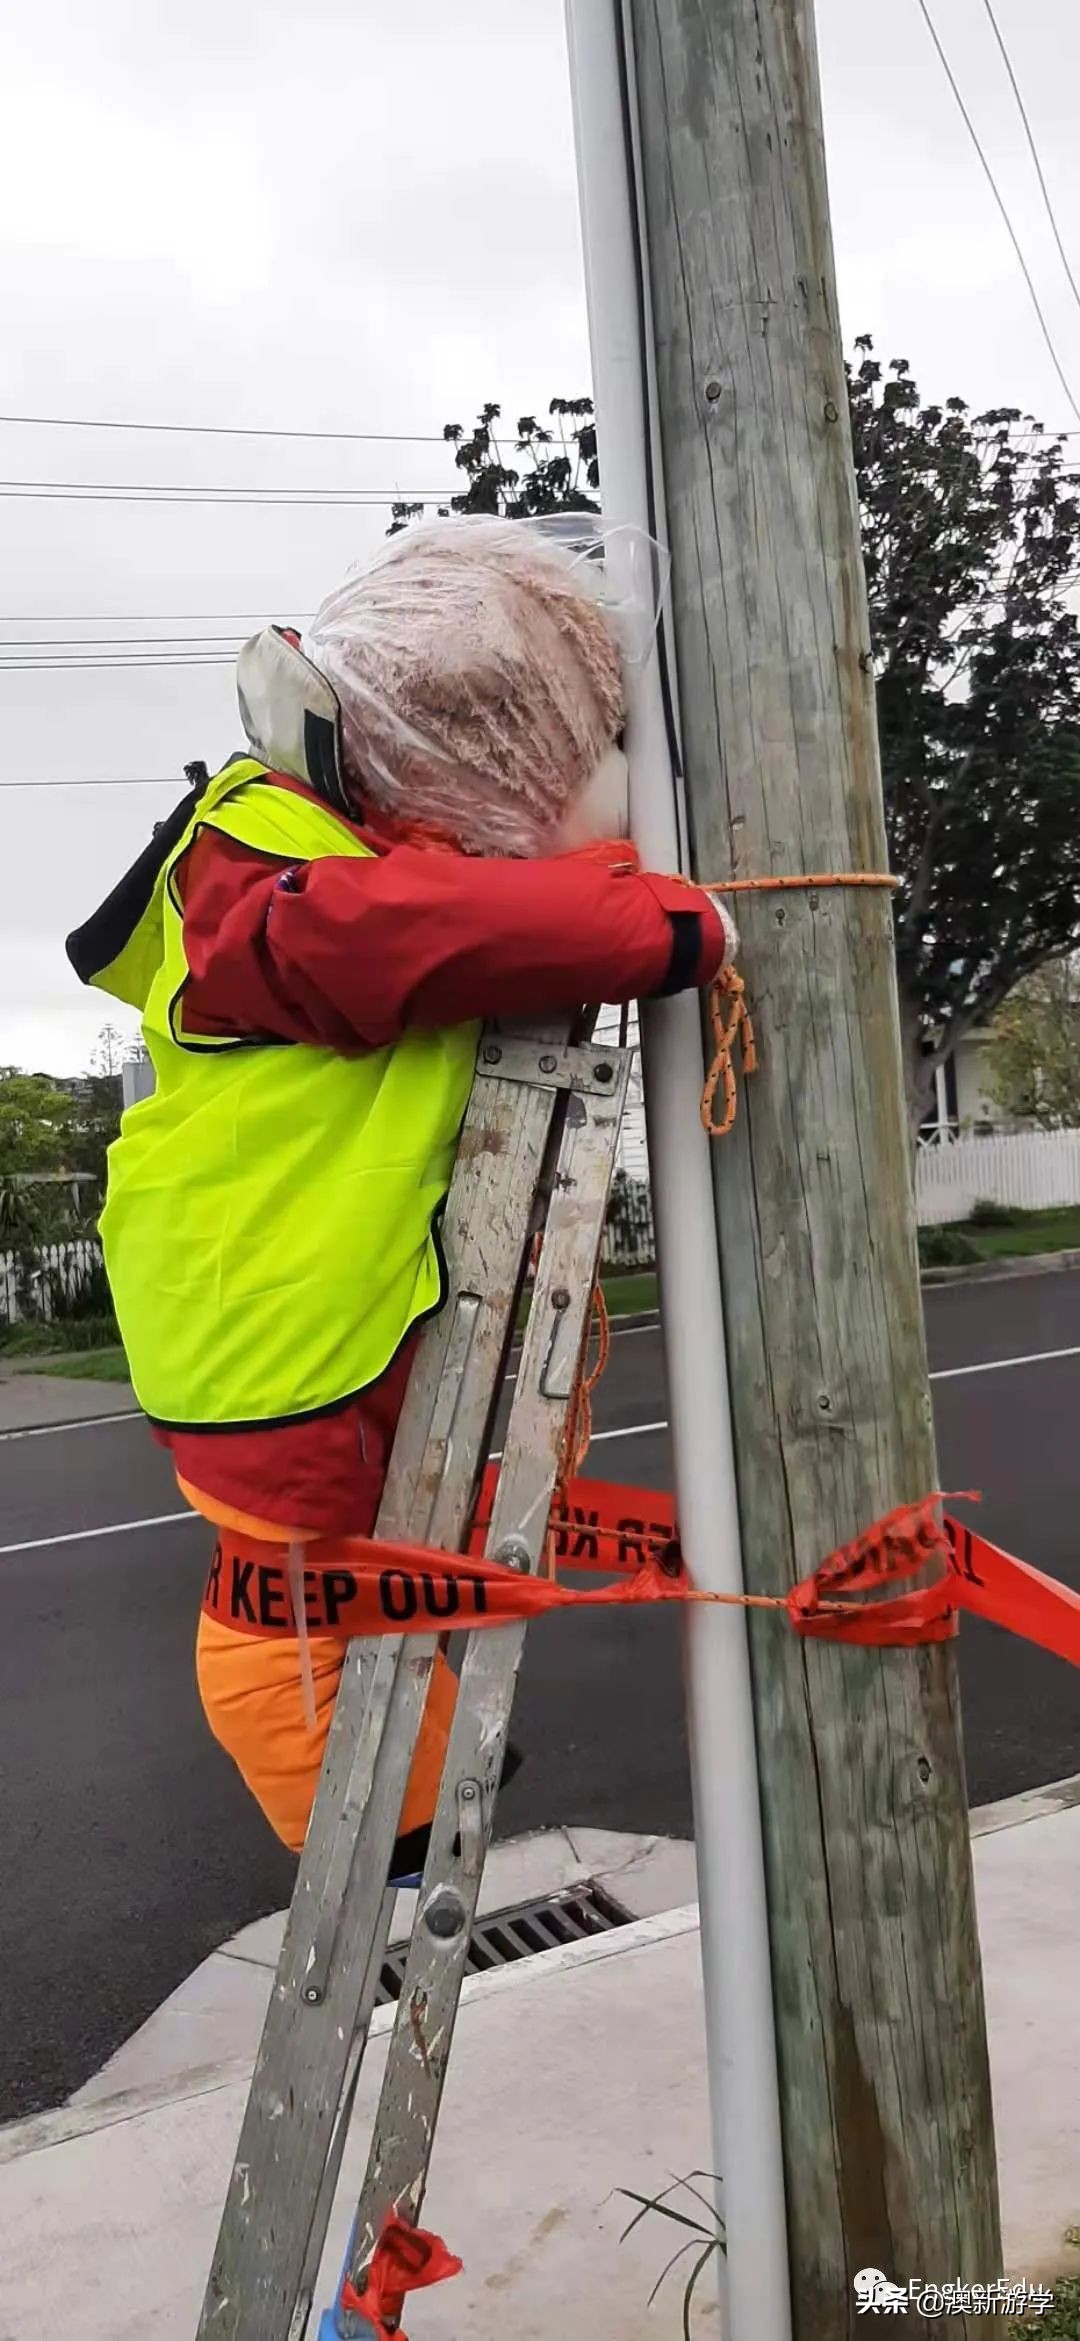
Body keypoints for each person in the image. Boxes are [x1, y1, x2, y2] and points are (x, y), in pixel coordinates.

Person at [68, 517, 735, 1872]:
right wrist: (654, 919)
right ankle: (381, 1827)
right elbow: (391, 938)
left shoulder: (325, 854)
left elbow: (435, 923)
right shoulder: (256, 858)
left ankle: (409, 1779)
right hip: (272, 1332)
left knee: (371, 1560)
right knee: (288, 1594)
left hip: (290, 1310)